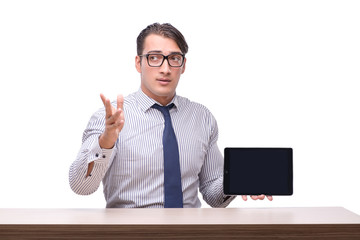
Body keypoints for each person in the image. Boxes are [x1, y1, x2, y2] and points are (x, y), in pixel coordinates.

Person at [69, 23, 272, 208]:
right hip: (131, 233)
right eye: (154, 58)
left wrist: (241, 181)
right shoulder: (110, 118)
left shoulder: (201, 117)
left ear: (183, 66)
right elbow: (81, 186)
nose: (165, 69)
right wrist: (106, 141)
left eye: (174, 59)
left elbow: (212, 193)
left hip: (190, 233)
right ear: (138, 63)